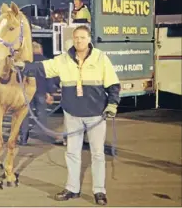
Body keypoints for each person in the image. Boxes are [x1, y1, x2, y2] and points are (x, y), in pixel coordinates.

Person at [14, 25, 120, 205]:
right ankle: (72, 188)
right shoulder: (63, 60)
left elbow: (113, 84)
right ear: (73, 39)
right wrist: (24, 66)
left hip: (96, 115)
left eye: (82, 37)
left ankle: (99, 191)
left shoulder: (101, 58)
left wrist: (112, 105)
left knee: (97, 154)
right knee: (72, 153)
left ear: (89, 39)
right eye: (76, 37)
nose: (79, 41)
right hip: (72, 115)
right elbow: (43, 67)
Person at [19, 41, 56, 145]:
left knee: (25, 114)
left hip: (27, 92)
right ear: (40, 50)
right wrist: (50, 93)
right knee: (42, 113)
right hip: (41, 92)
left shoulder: (26, 63)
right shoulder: (46, 61)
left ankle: (23, 138)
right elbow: (50, 79)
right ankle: (42, 136)